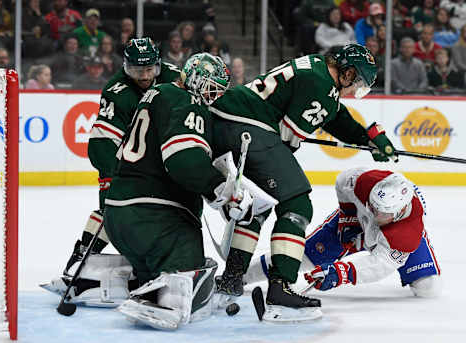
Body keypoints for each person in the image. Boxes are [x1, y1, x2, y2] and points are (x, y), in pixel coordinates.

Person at [210, 44, 398, 321]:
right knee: (296, 202)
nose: (353, 90)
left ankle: (231, 279)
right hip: (249, 127)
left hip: (227, 123)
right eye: (356, 82)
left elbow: (334, 114)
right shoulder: (321, 83)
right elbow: (288, 138)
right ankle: (281, 288)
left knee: (257, 206)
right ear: (346, 73)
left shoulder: (317, 72)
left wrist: (368, 139)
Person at [105, 53, 273, 330]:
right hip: (159, 221)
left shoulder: (156, 94)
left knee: (155, 274)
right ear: (196, 79)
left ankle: (133, 282)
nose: (213, 96)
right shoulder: (188, 101)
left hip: (119, 217)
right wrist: (223, 191)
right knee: (192, 281)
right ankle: (166, 300)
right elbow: (183, 161)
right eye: (210, 88)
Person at [60, 38, 181, 276]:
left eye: (149, 69)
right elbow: (101, 144)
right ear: (126, 66)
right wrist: (122, 175)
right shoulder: (117, 91)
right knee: (111, 209)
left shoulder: (175, 77)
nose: (145, 76)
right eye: (137, 70)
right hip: (122, 160)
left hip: (163, 157)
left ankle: (162, 259)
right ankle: (83, 254)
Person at [244, 168, 441, 299]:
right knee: (304, 256)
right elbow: (343, 181)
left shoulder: (405, 234)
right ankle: (241, 275)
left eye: (382, 212)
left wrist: (341, 274)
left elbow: (378, 265)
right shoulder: (366, 182)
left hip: (391, 240)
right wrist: (348, 215)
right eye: (373, 206)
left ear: (399, 212)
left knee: (428, 288)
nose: (375, 213)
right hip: (356, 219)